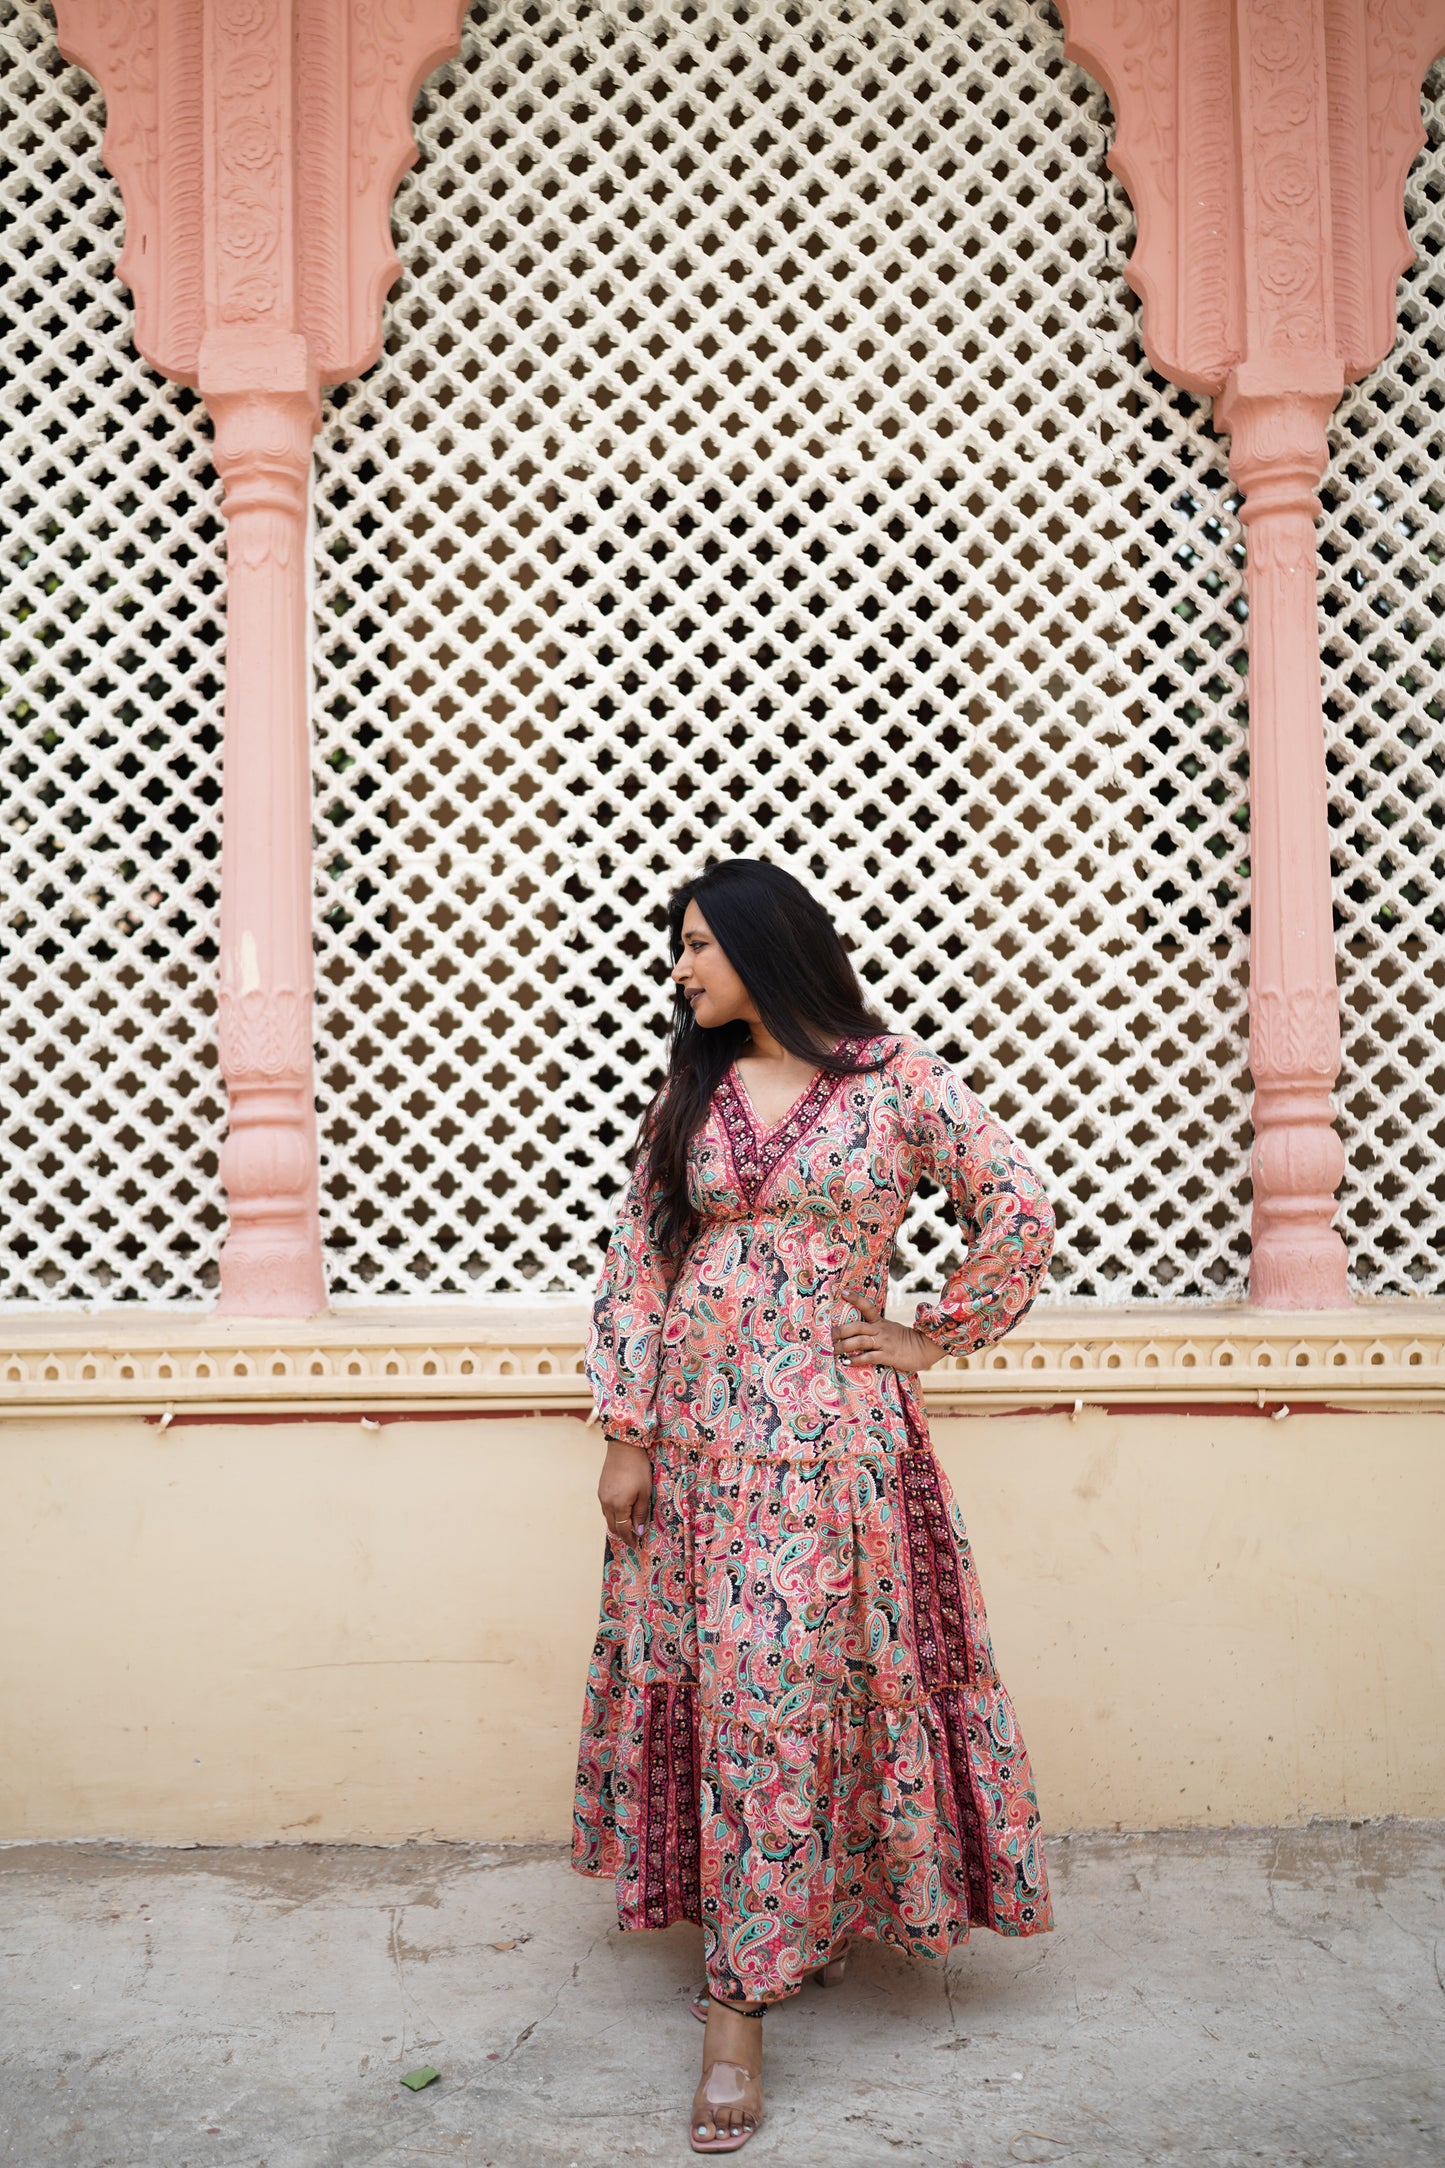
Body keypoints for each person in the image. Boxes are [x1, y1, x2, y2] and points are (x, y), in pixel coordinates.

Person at [571, 856, 1055, 2153]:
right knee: (737, 1698)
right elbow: (639, 1263)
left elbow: (1016, 1208)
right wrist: (625, 1434)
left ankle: (738, 2013)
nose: (680, 970)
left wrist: (931, 1333)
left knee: (792, 1690)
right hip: (697, 1459)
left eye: (696, 947)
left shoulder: (894, 1082)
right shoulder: (696, 1090)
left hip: (835, 1455)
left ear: (761, 946)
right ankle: (766, 1952)